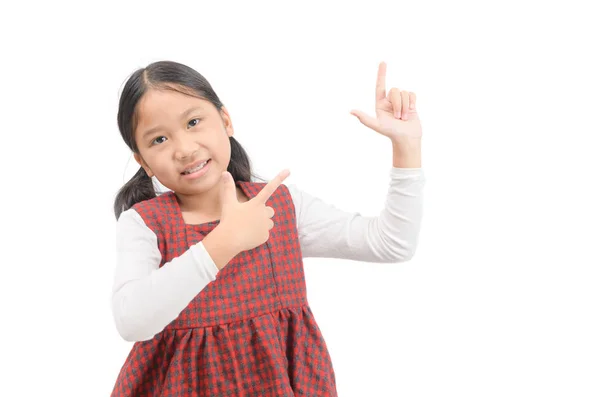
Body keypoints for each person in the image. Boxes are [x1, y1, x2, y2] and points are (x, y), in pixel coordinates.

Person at [110, 60, 425, 396]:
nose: (184, 149)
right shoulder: (145, 223)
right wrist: (225, 242)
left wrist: (406, 147)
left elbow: (392, 244)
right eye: (159, 139)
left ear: (226, 120)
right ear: (143, 161)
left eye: (193, 122)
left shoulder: (279, 206)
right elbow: (132, 320)